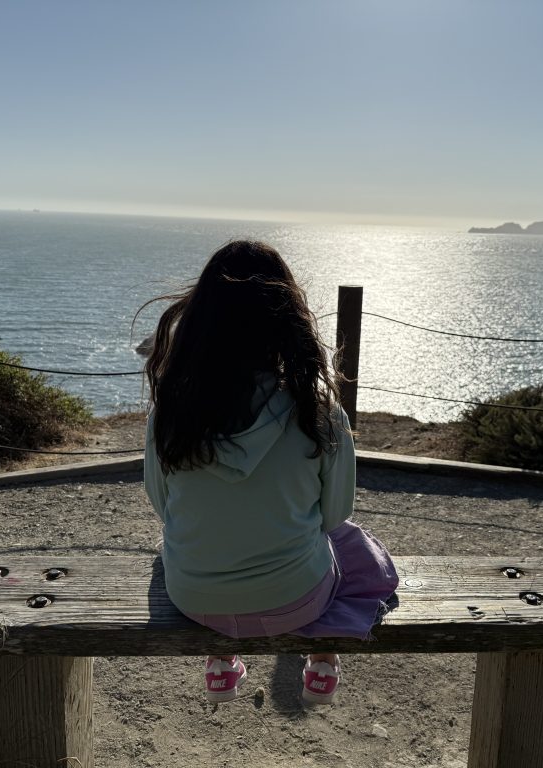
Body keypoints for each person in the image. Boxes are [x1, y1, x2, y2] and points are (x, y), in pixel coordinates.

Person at [141, 240, 398, 705]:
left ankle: (221, 662)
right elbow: (335, 514)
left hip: (194, 601)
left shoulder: (170, 414)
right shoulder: (318, 412)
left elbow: (163, 508)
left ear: (201, 320)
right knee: (356, 548)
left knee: (188, 540)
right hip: (296, 600)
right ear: (287, 318)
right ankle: (323, 658)